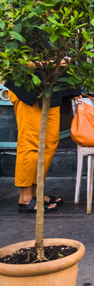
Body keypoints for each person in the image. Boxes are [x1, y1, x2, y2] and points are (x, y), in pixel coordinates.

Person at [6, 80, 70, 213]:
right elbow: (17, 62)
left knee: (50, 142)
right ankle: (26, 198)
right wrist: (49, 63)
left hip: (51, 90)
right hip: (27, 90)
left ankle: (36, 193)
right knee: (30, 144)